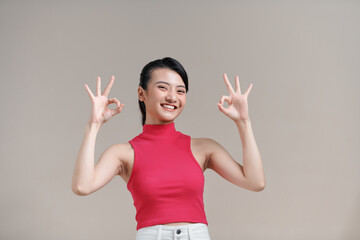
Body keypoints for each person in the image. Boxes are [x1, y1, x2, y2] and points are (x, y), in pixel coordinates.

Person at [71, 57, 265, 240]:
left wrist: (243, 122)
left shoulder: (203, 148)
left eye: (180, 91)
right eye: (163, 88)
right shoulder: (123, 153)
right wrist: (93, 126)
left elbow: (255, 182)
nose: (172, 97)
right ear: (141, 93)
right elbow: (82, 186)